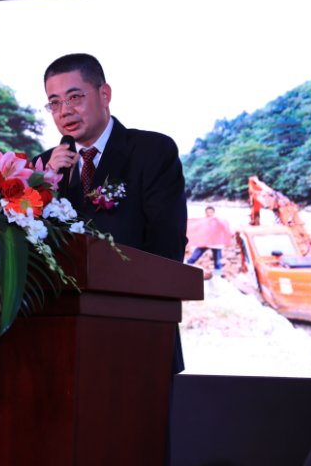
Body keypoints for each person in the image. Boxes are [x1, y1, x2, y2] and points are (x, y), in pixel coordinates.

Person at [33, 54, 186, 466]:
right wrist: (43, 186)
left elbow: (167, 246)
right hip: (57, 344)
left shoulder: (151, 151)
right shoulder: (43, 168)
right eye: (54, 103)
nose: (64, 111)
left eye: (75, 97)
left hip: (136, 337)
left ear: (104, 94)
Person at [186, 206, 233, 277]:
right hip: (205, 243)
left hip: (216, 244)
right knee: (193, 258)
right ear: (205, 212)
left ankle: (217, 277)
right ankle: (185, 271)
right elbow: (196, 229)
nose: (209, 213)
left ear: (214, 212)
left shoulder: (218, 220)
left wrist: (228, 240)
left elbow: (225, 228)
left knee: (217, 261)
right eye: (207, 212)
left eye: (211, 212)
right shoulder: (203, 221)